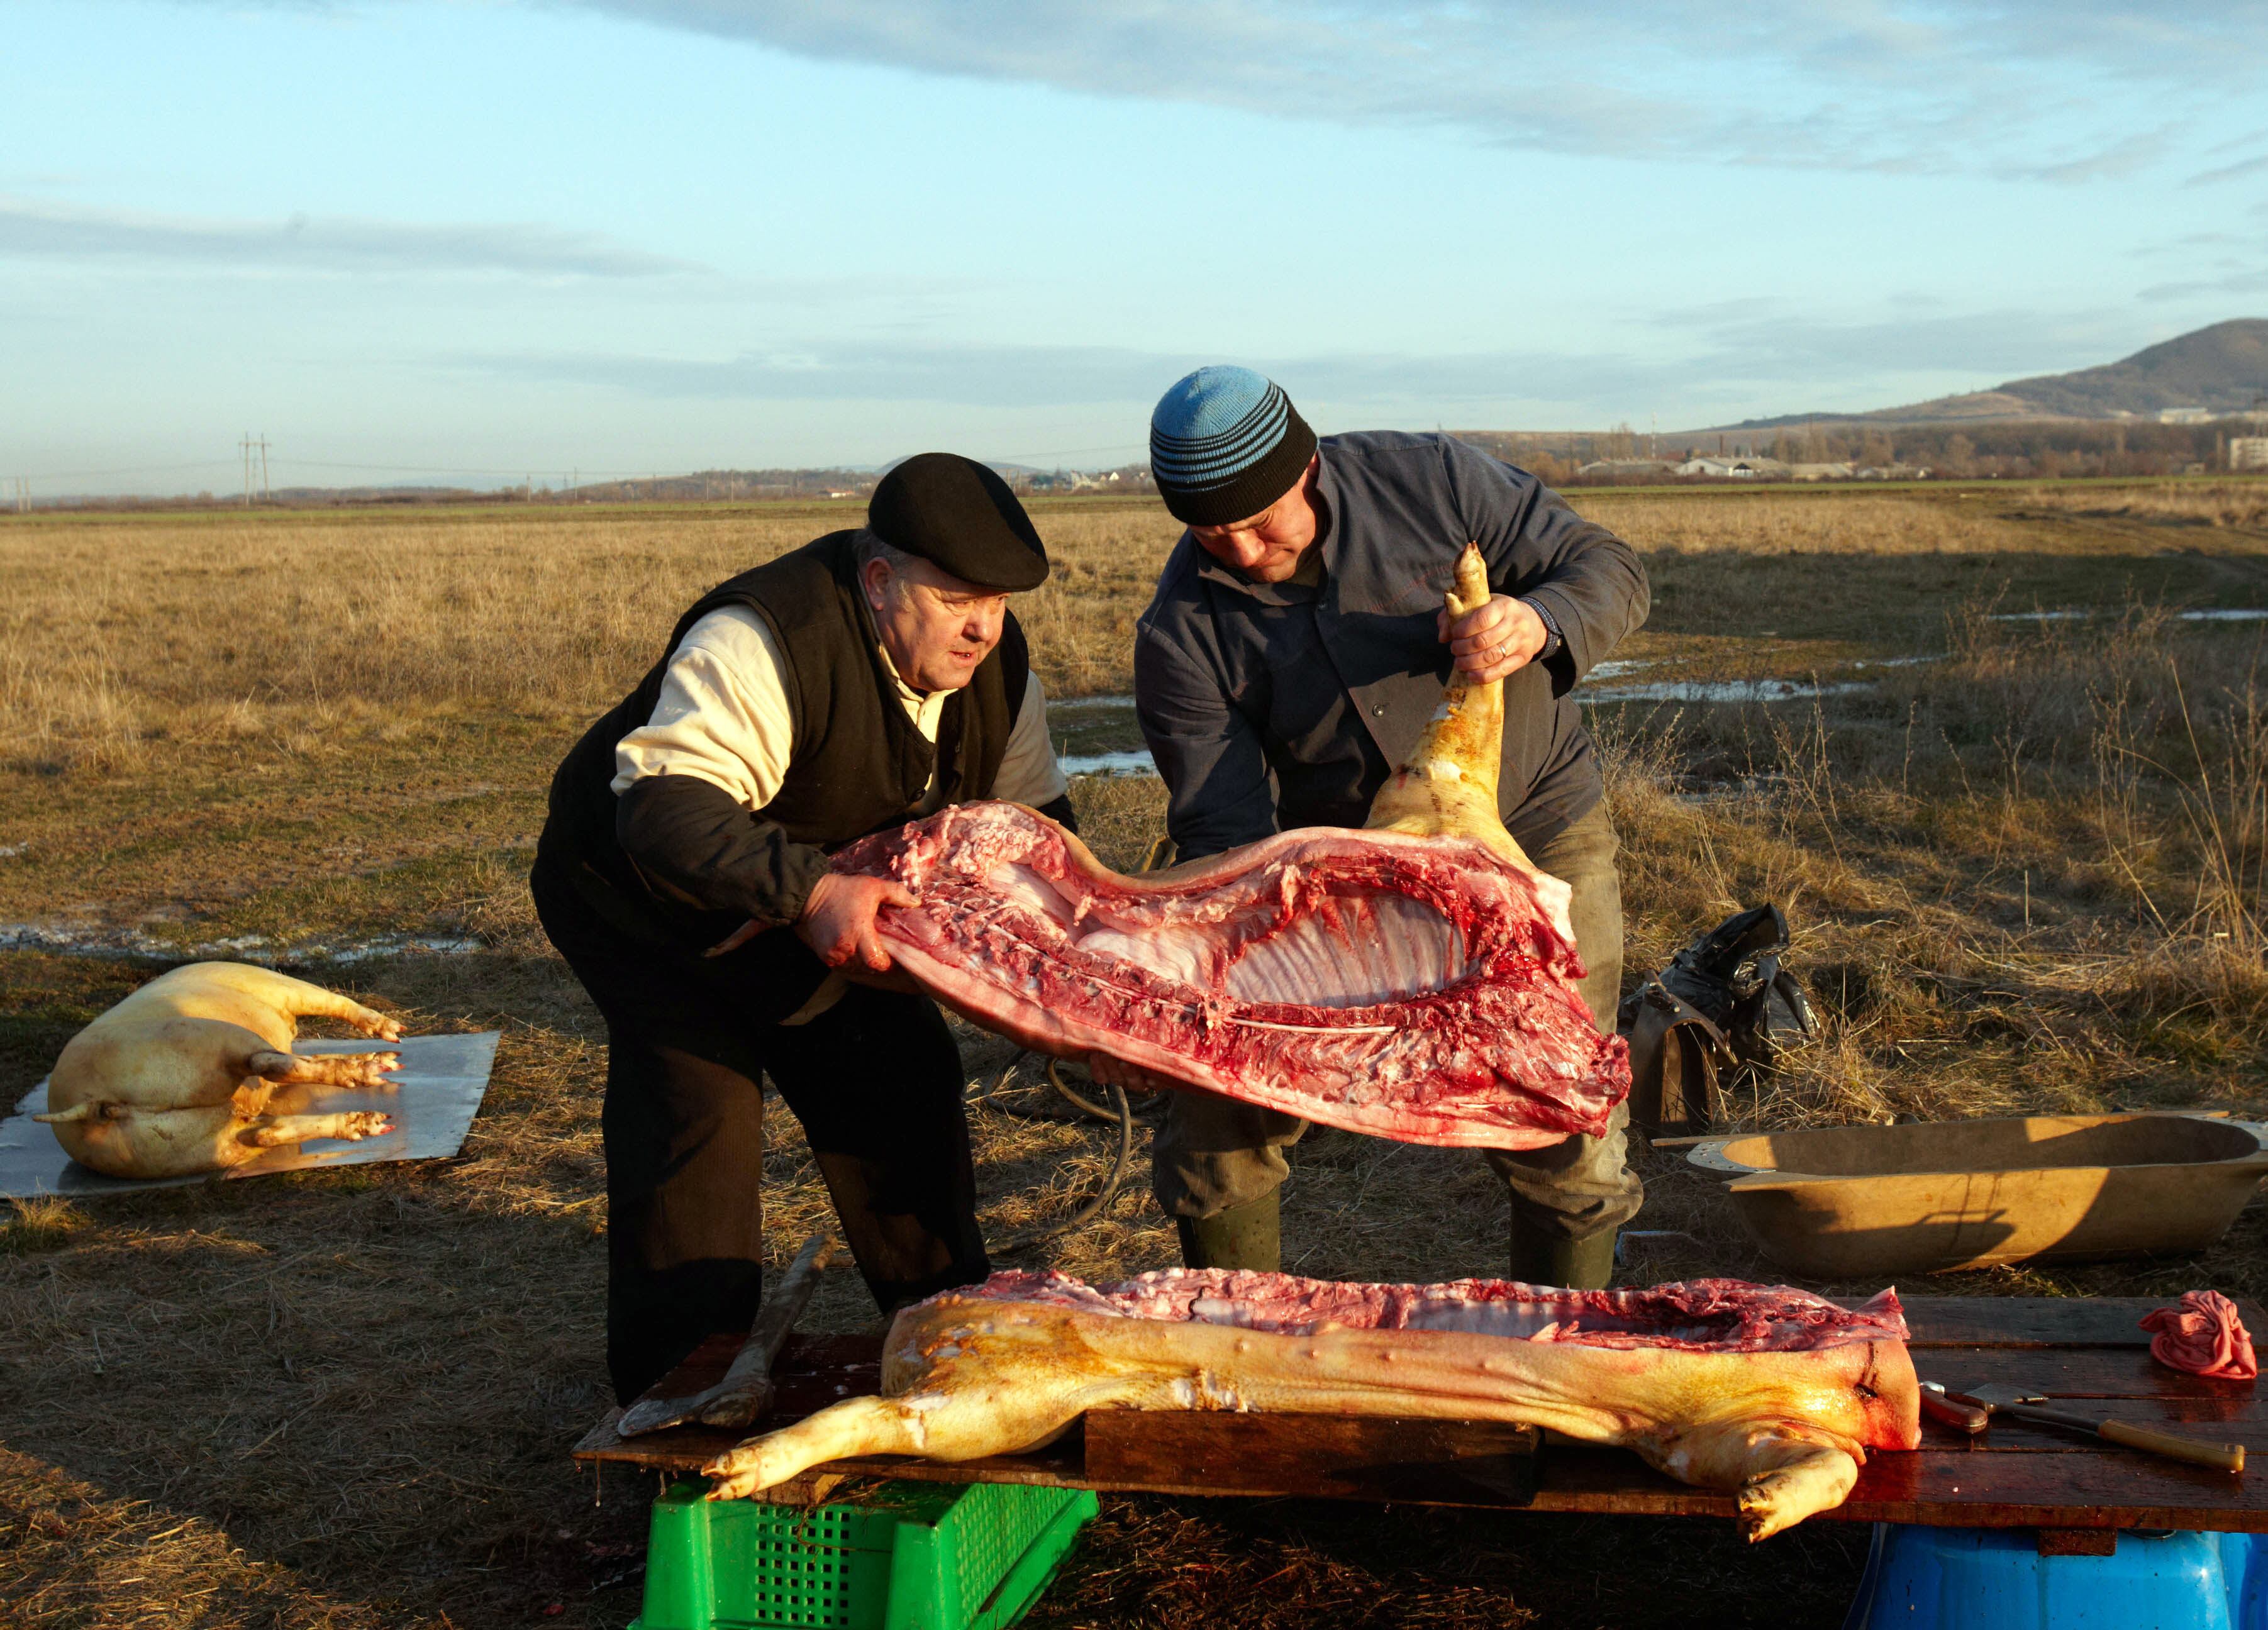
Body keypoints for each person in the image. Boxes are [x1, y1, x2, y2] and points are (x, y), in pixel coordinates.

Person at [530, 454, 1077, 1404]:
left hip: (815, 896)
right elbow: (664, 813)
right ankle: (679, 1410)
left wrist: (1071, 971)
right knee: (698, 1118)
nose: (981, 626)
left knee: (900, 1084)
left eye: (994, 600)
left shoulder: (1001, 669)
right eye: (954, 598)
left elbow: (1035, 834)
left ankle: (953, 1351)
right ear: (878, 581)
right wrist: (813, 893)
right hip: (647, 901)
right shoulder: (760, 638)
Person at [1128, 367, 1648, 1289]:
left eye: (1261, 522)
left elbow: (1609, 568)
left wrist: (1539, 621)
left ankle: (1566, 1355)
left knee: (1560, 1103)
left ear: (1307, 470)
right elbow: (1222, 821)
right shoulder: (1180, 632)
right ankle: (1234, 1339)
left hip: (1534, 826)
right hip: (1344, 868)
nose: (1244, 553)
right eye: (1213, 533)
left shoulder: (1436, 482)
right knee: (1220, 1101)